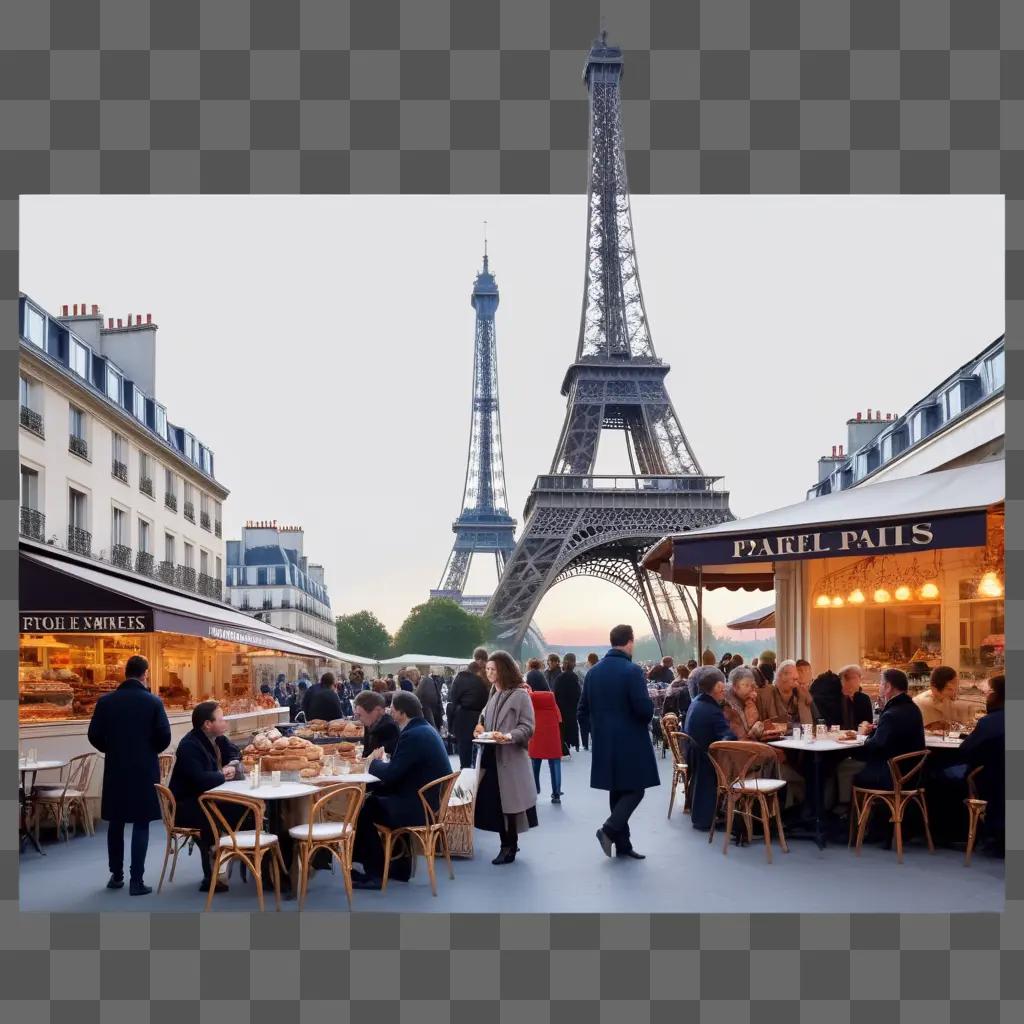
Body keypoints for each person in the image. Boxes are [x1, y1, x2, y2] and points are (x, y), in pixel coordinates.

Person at [351, 692, 454, 890]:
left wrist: (372, 764)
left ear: (401, 713)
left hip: (419, 809)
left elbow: (391, 774)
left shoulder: (412, 735)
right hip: (427, 803)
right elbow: (398, 771)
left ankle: (375, 873)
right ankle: (397, 868)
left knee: (365, 808)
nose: (390, 711)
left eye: (393, 709)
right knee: (375, 801)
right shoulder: (424, 730)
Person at [87, 655, 171, 895]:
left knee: (116, 821)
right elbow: (164, 737)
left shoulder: (106, 702)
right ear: (144, 674)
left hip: (116, 768)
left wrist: (110, 748)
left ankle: (116, 875)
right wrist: (149, 748)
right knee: (141, 822)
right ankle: (137, 880)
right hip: (144, 769)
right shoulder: (153, 702)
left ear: (125, 673)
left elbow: (93, 735)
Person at [578, 624, 660, 860]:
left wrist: (595, 732)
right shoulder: (632, 671)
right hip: (631, 741)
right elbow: (644, 710)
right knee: (636, 789)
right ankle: (608, 830)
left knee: (617, 790)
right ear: (630, 642)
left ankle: (623, 845)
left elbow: (581, 710)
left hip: (604, 742)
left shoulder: (593, 672)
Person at [168, 701, 242, 893]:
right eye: (221, 719)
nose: (225, 722)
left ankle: (238, 859)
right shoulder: (189, 746)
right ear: (207, 724)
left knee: (246, 810)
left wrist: (231, 763)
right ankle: (212, 874)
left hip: (205, 800)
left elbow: (234, 752)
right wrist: (222, 774)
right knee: (227, 813)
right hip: (186, 806)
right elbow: (198, 780)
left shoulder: (216, 739)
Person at [474, 651, 538, 864]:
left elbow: (528, 727)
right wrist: (480, 728)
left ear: (504, 670)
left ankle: (509, 846)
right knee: (497, 804)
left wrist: (509, 736)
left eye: (493, 669)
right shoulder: (494, 693)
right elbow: (484, 720)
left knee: (508, 806)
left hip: (509, 759)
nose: (489, 673)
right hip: (492, 757)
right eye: (488, 669)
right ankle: (508, 845)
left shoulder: (520, 696)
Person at [945, 674, 1004, 853]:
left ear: (995, 695)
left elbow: (966, 751)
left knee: (944, 775)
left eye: (986, 692)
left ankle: (956, 833)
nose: (985, 696)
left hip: (991, 781)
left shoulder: (990, 722)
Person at [850, 668, 925, 790]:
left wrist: (862, 737)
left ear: (888, 687)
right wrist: (875, 730)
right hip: (913, 776)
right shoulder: (914, 709)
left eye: (881, 684)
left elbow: (876, 747)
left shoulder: (891, 714)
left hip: (891, 777)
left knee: (848, 768)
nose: (879, 687)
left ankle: (851, 808)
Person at [683, 667, 735, 831]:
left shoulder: (696, 702)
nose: (724, 694)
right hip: (708, 758)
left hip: (693, 753)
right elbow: (729, 737)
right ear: (717, 689)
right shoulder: (712, 711)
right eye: (722, 690)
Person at [448, 648, 491, 768]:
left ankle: (466, 779)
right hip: (483, 717)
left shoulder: (461, 677)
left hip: (464, 717)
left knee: (465, 751)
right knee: (481, 752)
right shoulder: (489, 676)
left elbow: (453, 698)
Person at [527, 674, 563, 802]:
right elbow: (559, 718)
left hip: (537, 732)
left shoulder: (529, 698)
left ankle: (534, 789)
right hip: (552, 733)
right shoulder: (551, 697)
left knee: (535, 764)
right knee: (555, 763)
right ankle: (557, 793)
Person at [755, 658, 818, 727]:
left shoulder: (802, 695)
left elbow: (810, 726)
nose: (803, 687)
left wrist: (802, 701)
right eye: (796, 681)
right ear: (781, 677)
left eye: (807, 684)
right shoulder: (765, 695)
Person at [722, 666, 765, 740]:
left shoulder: (747, 700)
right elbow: (740, 737)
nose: (751, 689)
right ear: (735, 686)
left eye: (751, 685)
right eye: (746, 685)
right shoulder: (729, 707)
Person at [354, 690, 400, 757]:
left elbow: (384, 758)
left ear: (376, 710)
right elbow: (366, 752)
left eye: (359, 715)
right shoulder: (371, 722)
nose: (358, 719)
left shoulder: (389, 727)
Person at [554, 654, 582, 753]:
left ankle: (565, 746)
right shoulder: (574, 676)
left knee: (563, 727)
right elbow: (578, 693)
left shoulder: (559, 677)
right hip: (572, 706)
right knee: (573, 725)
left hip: (561, 706)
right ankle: (576, 745)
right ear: (573, 663)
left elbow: (555, 692)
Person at [579, 653, 600, 750]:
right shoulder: (601, 669)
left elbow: (585, 691)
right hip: (600, 703)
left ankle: (588, 744)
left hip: (592, 702)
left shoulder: (591, 672)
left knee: (590, 723)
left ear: (589, 661)